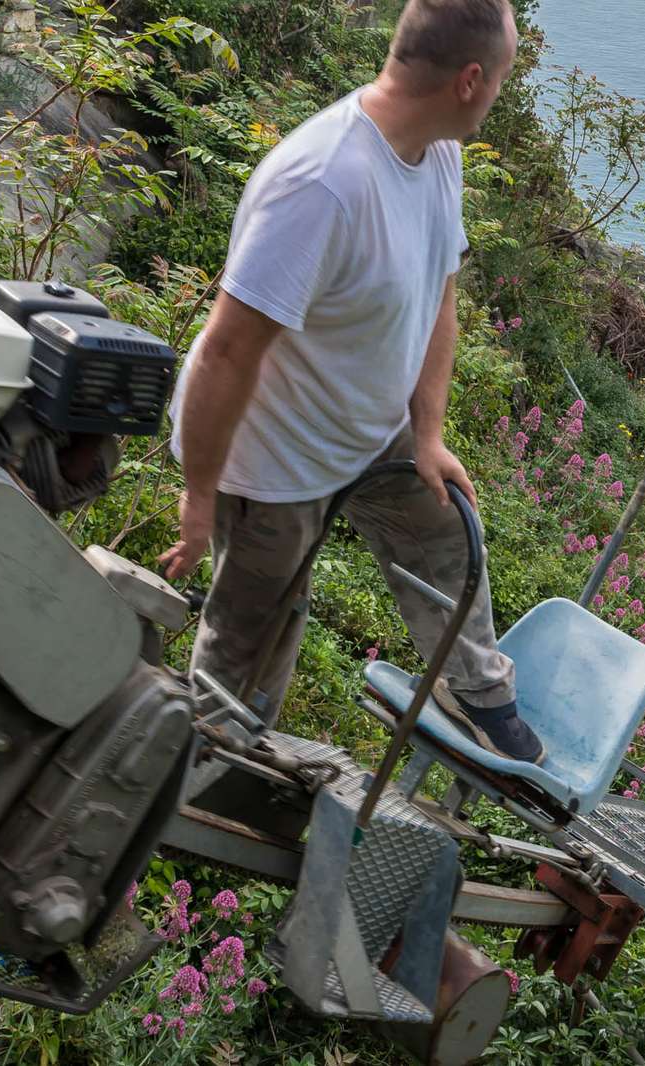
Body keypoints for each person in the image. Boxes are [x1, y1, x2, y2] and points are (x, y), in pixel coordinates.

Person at [158, 0, 543, 763]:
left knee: (445, 533)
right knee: (250, 648)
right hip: (272, 461)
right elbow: (225, 354)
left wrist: (427, 435)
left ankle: (477, 696)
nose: (499, 95)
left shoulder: (436, 152)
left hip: (369, 428)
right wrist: (200, 498)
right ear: (470, 80)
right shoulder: (324, 183)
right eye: (501, 78)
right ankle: (208, 765)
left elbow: (440, 292)